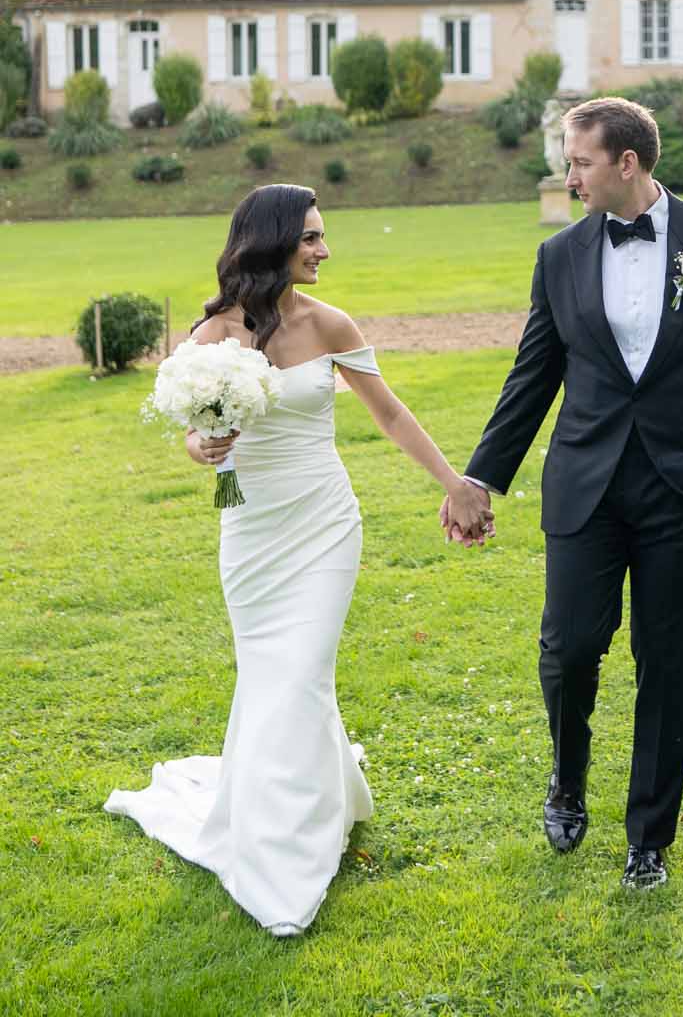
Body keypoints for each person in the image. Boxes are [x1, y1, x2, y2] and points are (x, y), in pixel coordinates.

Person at [105, 183, 491, 936]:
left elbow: (388, 411)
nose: (323, 249)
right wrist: (201, 445)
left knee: (302, 670)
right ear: (273, 243)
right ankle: (309, 806)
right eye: (310, 237)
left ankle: (289, 852)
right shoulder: (214, 336)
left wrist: (456, 483)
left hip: (322, 525)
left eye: (322, 236)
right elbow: (195, 435)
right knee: (272, 675)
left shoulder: (331, 324)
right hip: (250, 530)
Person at [446, 97, 683, 891]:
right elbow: (532, 375)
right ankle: (566, 781)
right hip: (584, 481)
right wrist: (481, 476)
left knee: (668, 657)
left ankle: (648, 836)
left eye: (577, 162)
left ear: (626, 164)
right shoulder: (559, 256)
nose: (567, 176)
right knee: (571, 646)